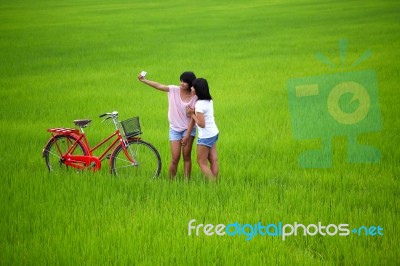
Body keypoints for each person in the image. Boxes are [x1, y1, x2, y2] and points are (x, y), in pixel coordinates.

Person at [138, 71, 197, 179]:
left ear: (191, 84)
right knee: (175, 157)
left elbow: (194, 118)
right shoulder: (174, 90)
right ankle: (170, 182)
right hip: (174, 129)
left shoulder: (194, 96)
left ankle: (186, 182)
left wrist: (188, 135)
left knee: (187, 156)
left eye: (185, 82)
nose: (182, 83)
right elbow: (159, 86)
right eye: (181, 80)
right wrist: (144, 80)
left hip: (188, 129)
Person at [187, 78, 219, 181]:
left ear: (198, 89)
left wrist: (192, 114)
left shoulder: (199, 104)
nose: (191, 88)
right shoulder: (209, 100)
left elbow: (201, 124)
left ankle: (213, 185)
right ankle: (215, 183)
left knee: (201, 162)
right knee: (213, 160)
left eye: (193, 87)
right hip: (213, 133)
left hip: (205, 136)